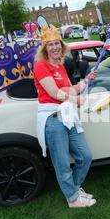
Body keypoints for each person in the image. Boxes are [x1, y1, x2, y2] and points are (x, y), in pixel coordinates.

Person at [33, 25, 98, 208]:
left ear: (62, 46)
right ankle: (72, 199)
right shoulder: (40, 66)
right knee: (62, 163)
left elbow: (70, 89)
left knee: (85, 156)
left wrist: (86, 80)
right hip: (54, 118)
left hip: (67, 116)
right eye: (50, 44)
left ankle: (74, 190)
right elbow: (54, 93)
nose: (54, 47)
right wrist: (74, 100)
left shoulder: (60, 66)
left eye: (57, 43)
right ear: (44, 48)